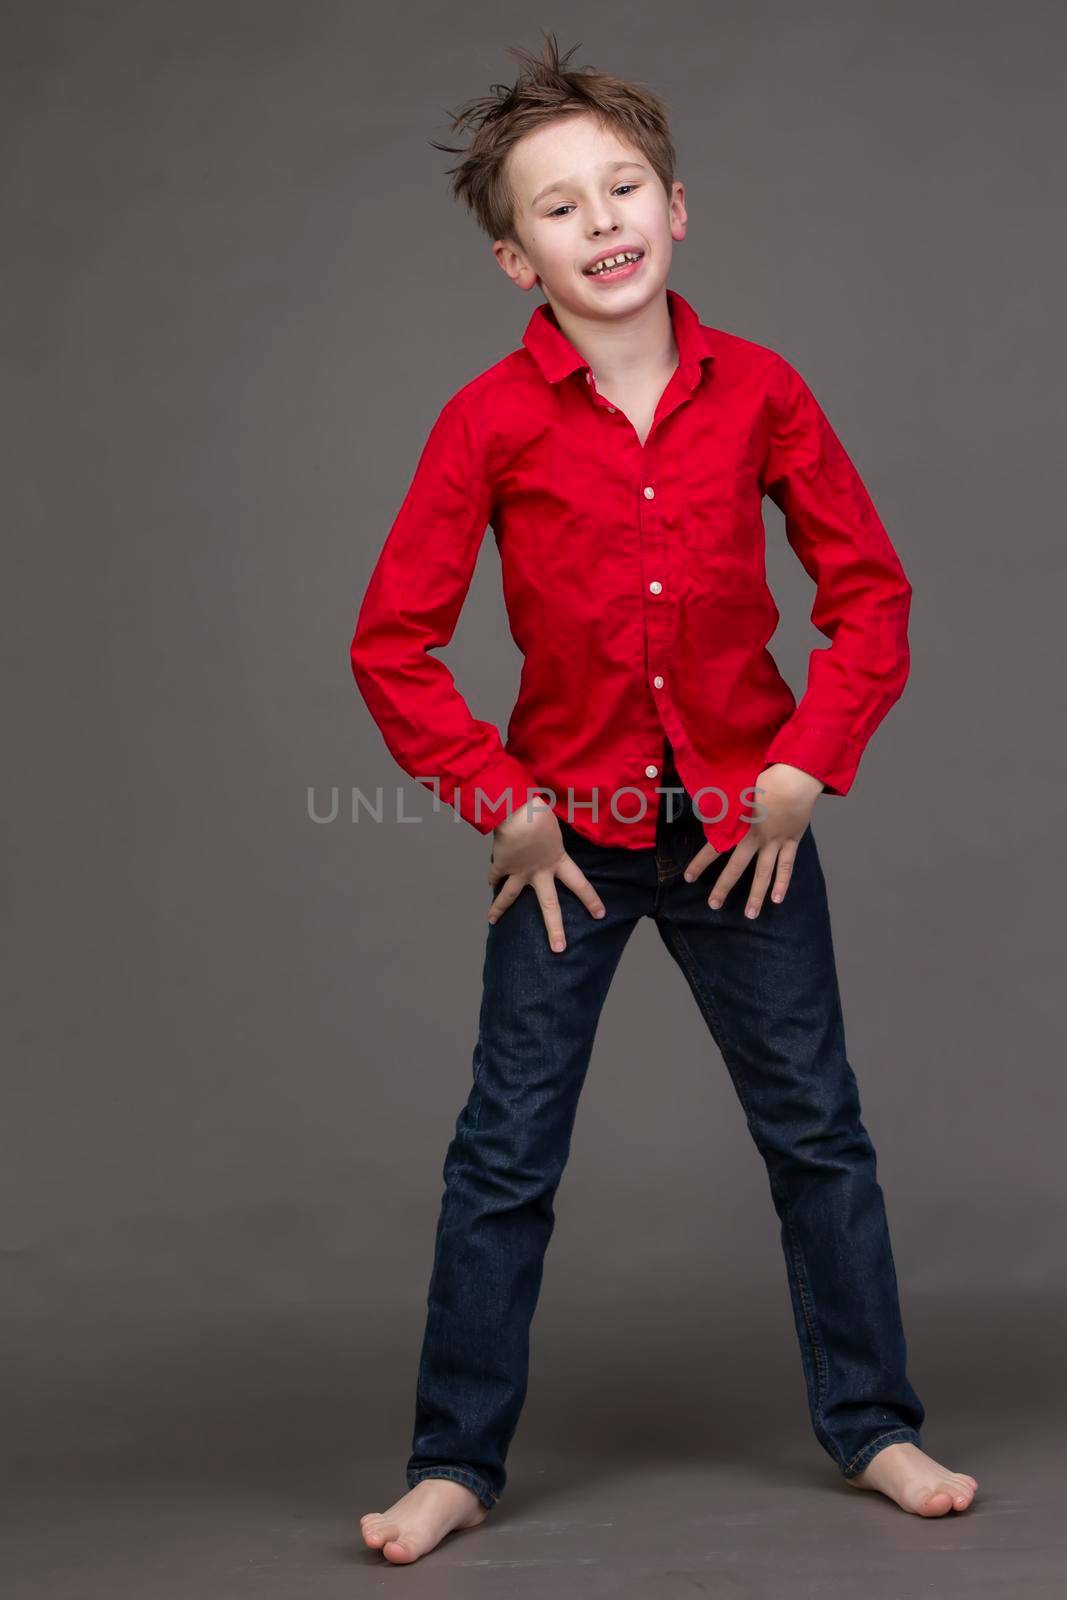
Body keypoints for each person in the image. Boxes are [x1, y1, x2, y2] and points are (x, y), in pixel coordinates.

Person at [350, 33, 977, 1567]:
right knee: (505, 1153)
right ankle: (452, 1462)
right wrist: (498, 797)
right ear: (516, 258)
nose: (601, 219)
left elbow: (870, 596)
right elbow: (394, 641)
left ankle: (876, 1426)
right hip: (563, 848)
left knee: (818, 1132)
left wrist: (803, 767)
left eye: (623, 186)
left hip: (746, 841)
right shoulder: (486, 425)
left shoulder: (762, 393)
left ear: (678, 207)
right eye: (559, 208)